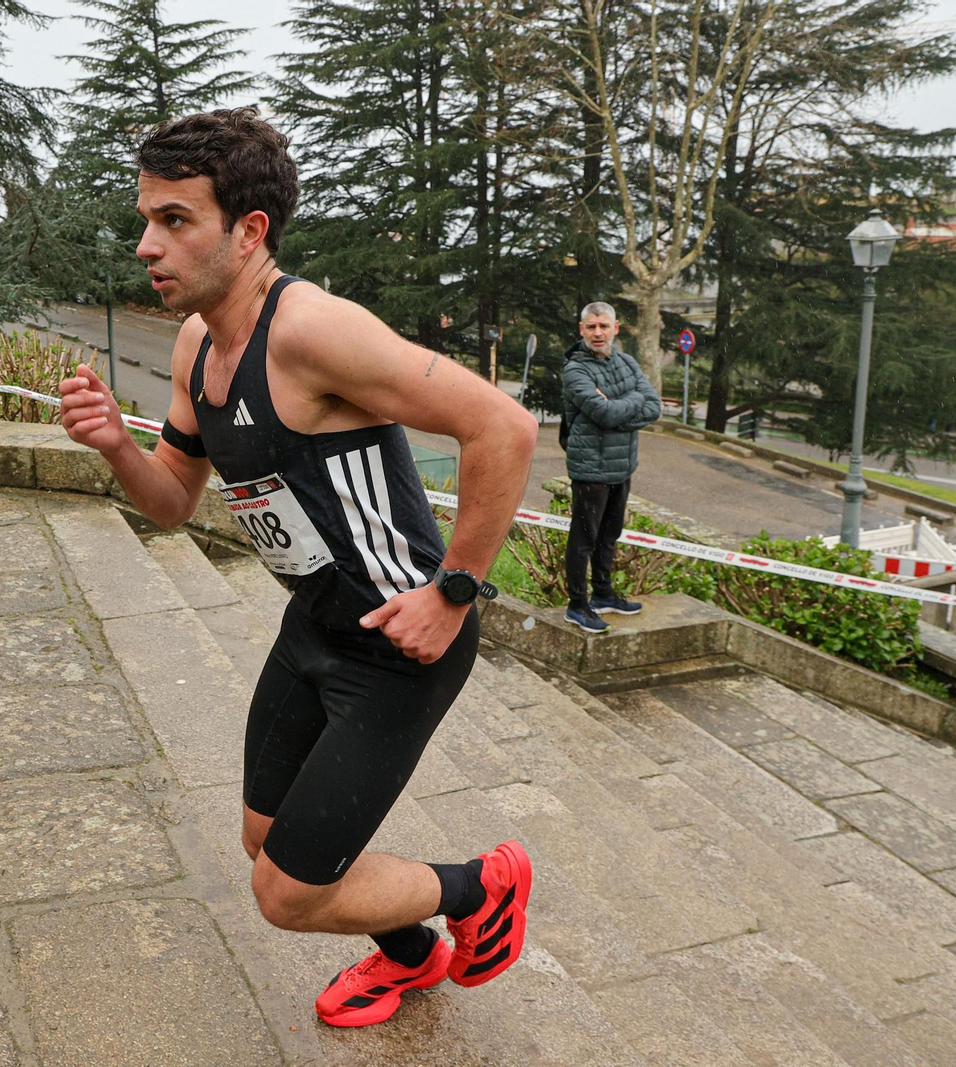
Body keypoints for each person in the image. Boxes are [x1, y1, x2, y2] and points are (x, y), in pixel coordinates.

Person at [58, 109, 538, 1029]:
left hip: (403, 644)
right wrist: (117, 443)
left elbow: (504, 428)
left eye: (174, 220)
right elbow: (169, 501)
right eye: (145, 219)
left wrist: (453, 593)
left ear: (249, 232)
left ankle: (480, 886)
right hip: (313, 626)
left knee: (284, 893)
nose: (146, 245)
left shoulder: (313, 331)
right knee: (263, 839)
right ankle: (413, 958)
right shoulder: (199, 344)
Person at [559, 303, 661, 633]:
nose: (598, 332)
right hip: (591, 468)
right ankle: (577, 605)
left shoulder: (627, 361)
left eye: (604, 325)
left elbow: (654, 407)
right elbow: (603, 415)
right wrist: (627, 407)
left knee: (609, 536)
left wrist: (615, 409)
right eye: (591, 327)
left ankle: (603, 595)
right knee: (584, 539)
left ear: (616, 328)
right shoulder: (575, 370)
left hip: (623, 466)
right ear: (581, 329)